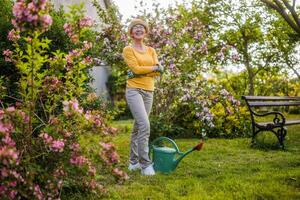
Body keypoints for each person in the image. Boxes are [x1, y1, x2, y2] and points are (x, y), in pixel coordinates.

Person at [122, 18, 163, 176]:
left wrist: (147, 69)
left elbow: (157, 71)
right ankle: (145, 164)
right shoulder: (128, 49)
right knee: (145, 125)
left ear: (145, 32)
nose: (138, 29)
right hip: (134, 90)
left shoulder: (151, 50)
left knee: (138, 127)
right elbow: (135, 69)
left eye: (141, 27)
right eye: (135, 28)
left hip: (149, 90)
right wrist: (152, 68)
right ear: (131, 33)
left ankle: (133, 162)